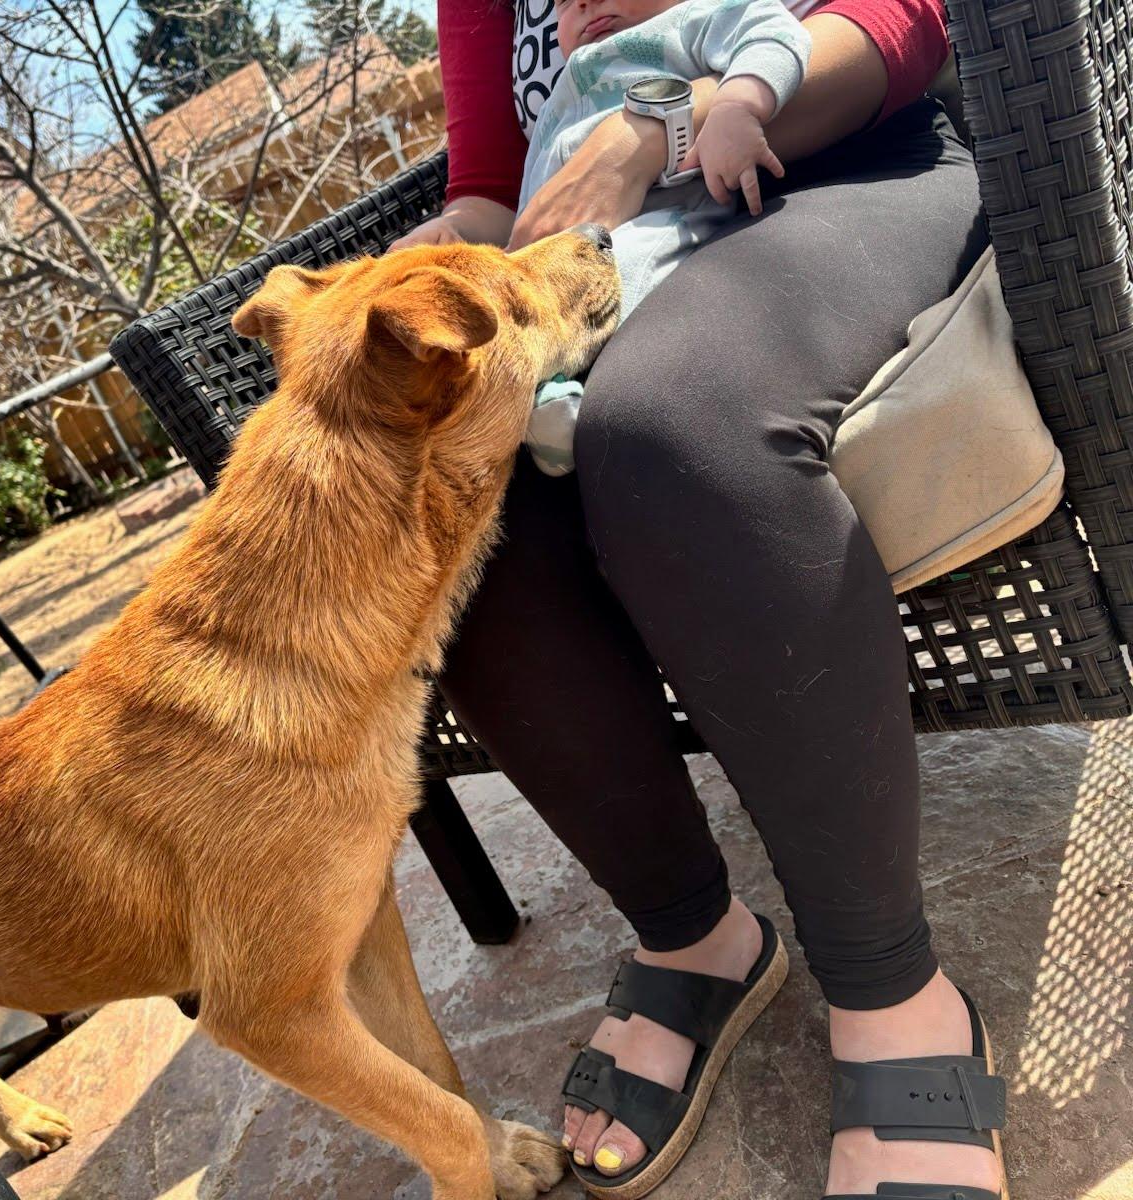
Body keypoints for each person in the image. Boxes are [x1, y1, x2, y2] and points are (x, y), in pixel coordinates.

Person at [393, 0, 1011, 1194]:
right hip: (605, 266)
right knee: (435, 491)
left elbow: (911, 20)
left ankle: (892, 992)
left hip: (836, 167)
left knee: (671, 427)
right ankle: (694, 936)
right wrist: (426, 277)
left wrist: (655, 128)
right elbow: (485, 189)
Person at [521, 0, 810, 474]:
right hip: (558, 244)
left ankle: (551, 396)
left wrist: (738, 104)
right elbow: (536, 192)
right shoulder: (562, 92)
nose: (581, 4)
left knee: (623, 272)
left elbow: (775, 32)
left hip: (664, 217)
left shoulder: (691, 18)